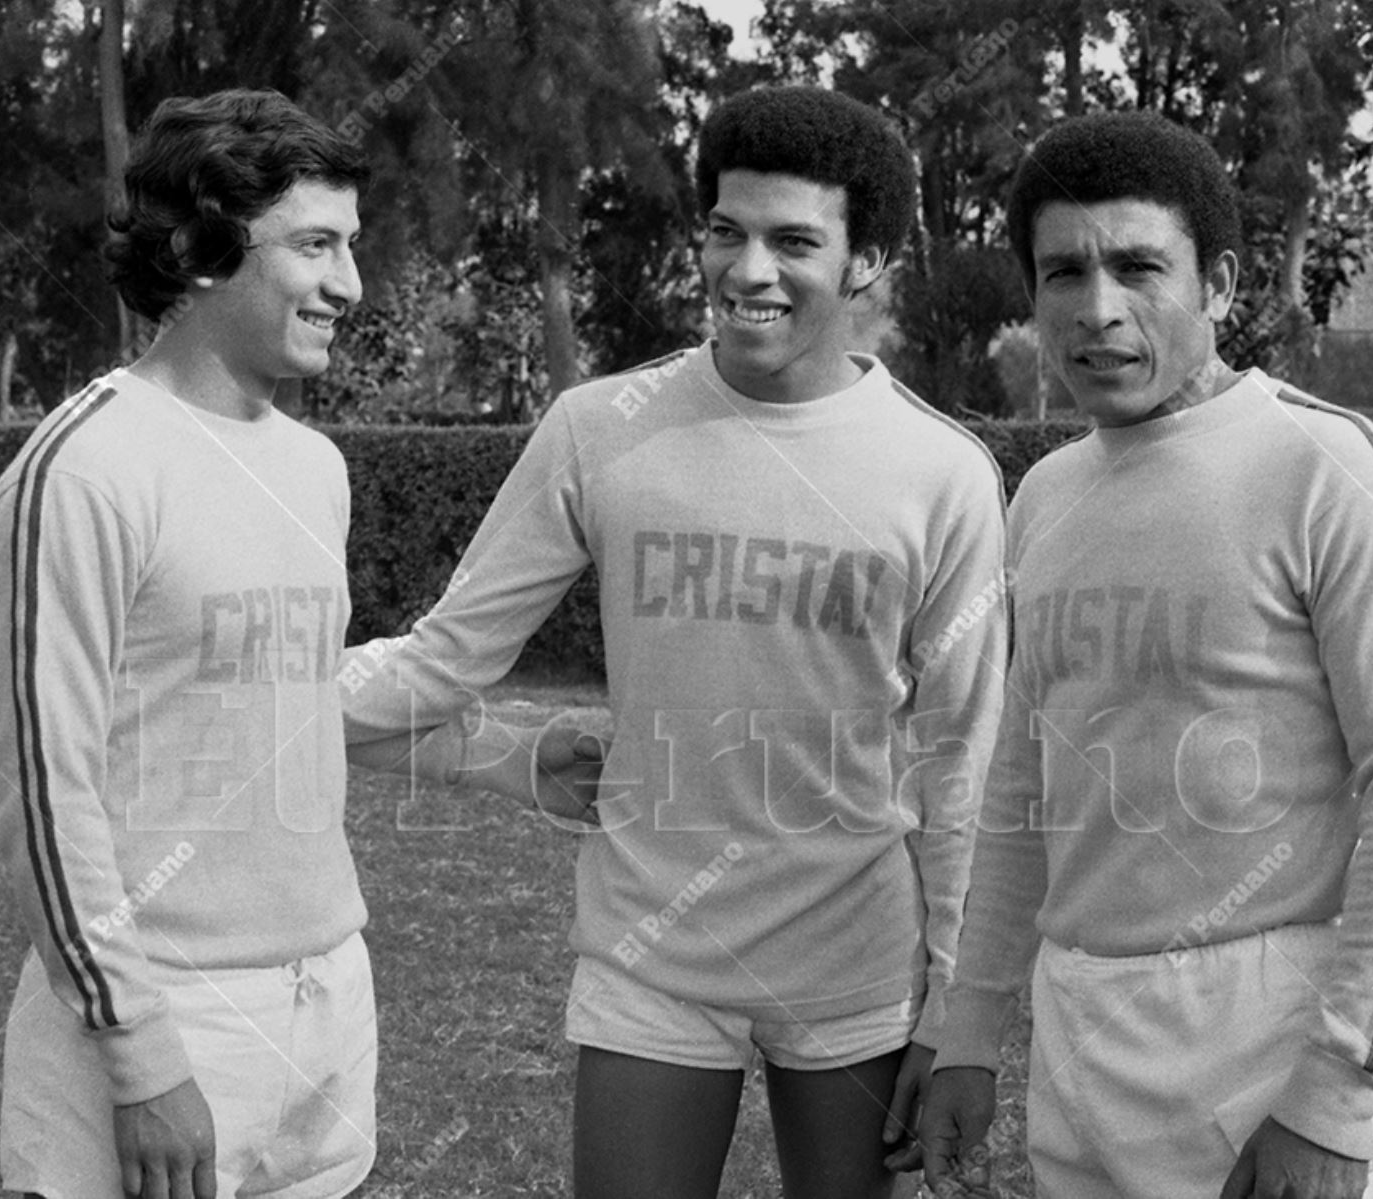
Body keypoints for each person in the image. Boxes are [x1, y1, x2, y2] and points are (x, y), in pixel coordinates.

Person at [335, 85, 1009, 1198]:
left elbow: (961, 763)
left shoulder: (941, 474)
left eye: (795, 241)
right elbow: (444, 658)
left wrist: (956, 1007)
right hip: (652, 950)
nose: (750, 272)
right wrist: (247, 700)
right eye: (726, 232)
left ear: (866, 260)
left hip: (855, 963)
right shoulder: (600, 430)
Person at [0, 88, 590, 1199]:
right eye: (316, 245)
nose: (349, 284)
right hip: (158, 1019)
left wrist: (511, 756)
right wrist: (140, 1049)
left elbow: (293, 701)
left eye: (351, 246)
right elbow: (44, 791)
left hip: (327, 1003)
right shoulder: (83, 472)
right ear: (205, 248)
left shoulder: (317, 467)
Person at [919, 110, 1373, 1199]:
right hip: (1078, 1031)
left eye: (1137, 265)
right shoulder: (1047, 494)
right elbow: (1026, 781)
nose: (1098, 307)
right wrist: (969, 1022)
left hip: (1261, 1033)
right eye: (1062, 271)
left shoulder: (1327, 466)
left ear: (1217, 282)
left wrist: (1336, 1091)